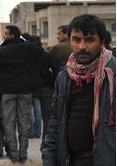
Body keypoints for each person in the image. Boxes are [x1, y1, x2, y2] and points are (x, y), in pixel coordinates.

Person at [42, 14, 115, 166]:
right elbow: (55, 122)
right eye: (76, 39)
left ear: (102, 42)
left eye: (89, 40)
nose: (82, 46)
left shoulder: (112, 74)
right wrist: (49, 158)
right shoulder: (65, 76)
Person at [0, 25, 41, 163]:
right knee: (24, 123)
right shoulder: (28, 48)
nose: (4, 36)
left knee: (9, 122)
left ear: (12, 35)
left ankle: (14, 154)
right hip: (25, 91)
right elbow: (38, 48)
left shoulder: (3, 51)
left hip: (7, 91)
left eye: (6, 34)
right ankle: (23, 154)